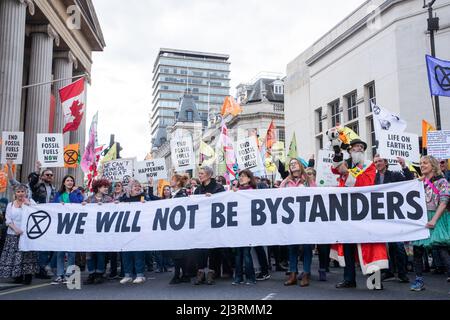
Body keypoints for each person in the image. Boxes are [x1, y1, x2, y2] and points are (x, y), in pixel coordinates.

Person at [331, 139, 388, 289]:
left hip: (365, 212)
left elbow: (362, 182)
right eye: (356, 147)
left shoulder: (368, 165)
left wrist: (346, 172)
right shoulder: (348, 163)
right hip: (348, 212)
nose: (359, 149)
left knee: (371, 247)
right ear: (350, 150)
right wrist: (337, 151)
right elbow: (336, 168)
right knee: (348, 246)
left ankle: (375, 282)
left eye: (362, 147)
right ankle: (349, 279)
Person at [410, 155, 450, 291]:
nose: (422, 165)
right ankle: (418, 280)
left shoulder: (442, 181)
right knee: (417, 250)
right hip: (422, 218)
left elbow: (444, 202)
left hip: (436, 217)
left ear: (433, 165)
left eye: (425, 163)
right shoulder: (420, 182)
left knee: (441, 248)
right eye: (421, 163)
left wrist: (434, 220)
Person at [374, 155, 414, 283]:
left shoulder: (394, 175)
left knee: (398, 245)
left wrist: (403, 166)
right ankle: (390, 271)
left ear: (385, 163)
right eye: (375, 162)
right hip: (382, 216)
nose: (378, 163)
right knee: (388, 246)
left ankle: (402, 273)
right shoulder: (374, 178)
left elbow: (409, 180)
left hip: (395, 214)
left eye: (380, 161)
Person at [193, 166, 225, 285]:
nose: (199, 175)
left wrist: (212, 198)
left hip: (214, 222)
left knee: (213, 248)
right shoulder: (198, 190)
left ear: (209, 175)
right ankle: (200, 271)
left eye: (201, 173)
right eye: (199, 173)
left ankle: (212, 272)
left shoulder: (218, 188)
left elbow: (224, 201)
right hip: (201, 223)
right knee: (200, 247)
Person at [0, 184, 38, 285]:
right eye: (18, 192)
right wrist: (16, 229)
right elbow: (8, 220)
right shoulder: (10, 205)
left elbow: (37, 213)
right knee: (15, 255)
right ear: (15, 193)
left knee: (27, 255)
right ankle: (18, 276)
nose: (20, 194)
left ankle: (28, 276)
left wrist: (28, 204)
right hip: (13, 233)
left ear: (26, 193)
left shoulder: (31, 202)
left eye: (22, 191)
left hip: (27, 234)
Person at [299, 167, 331, 286]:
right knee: (305, 246)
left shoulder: (321, 187)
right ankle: (306, 271)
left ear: (315, 175)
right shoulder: (301, 189)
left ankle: (322, 269)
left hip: (320, 221)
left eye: (310, 174)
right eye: (306, 174)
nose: (308, 175)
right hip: (306, 222)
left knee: (322, 247)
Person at [51, 175, 84, 285]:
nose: (70, 182)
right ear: (64, 182)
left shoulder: (78, 193)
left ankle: (69, 275)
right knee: (60, 251)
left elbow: (78, 204)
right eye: (67, 180)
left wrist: (74, 193)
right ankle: (60, 275)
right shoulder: (59, 195)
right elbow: (52, 207)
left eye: (71, 181)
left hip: (73, 225)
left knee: (71, 252)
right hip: (61, 226)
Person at [119, 180, 152, 284]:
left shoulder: (144, 197)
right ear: (130, 188)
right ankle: (127, 275)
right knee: (126, 253)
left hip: (139, 230)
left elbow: (152, 206)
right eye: (135, 186)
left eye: (139, 186)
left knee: (138, 253)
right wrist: (116, 204)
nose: (137, 188)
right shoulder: (124, 199)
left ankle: (140, 275)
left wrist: (146, 204)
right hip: (126, 230)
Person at [28, 161, 56, 279]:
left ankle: (45, 266)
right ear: (43, 177)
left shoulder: (54, 189)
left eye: (51, 175)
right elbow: (32, 183)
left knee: (50, 246)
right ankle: (41, 269)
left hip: (51, 218)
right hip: (39, 217)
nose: (49, 176)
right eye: (47, 175)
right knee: (42, 246)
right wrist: (37, 170)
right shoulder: (38, 186)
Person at [280, 158, 306, 286]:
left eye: (295, 163)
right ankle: (293, 274)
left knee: (306, 247)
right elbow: (278, 196)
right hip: (291, 220)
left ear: (300, 165)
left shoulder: (308, 180)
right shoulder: (286, 182)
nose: (293, 165)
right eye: (290, 164)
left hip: (306, 219)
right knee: (292, 248)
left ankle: (306, 273)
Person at [83, 179, 113, 284]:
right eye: (104, 186)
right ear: (98, 188)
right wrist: (82, 206)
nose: (106, 188)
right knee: (89, 254)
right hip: (90, 231)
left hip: (102, 231)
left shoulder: (109, 200)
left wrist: (116, 205)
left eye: (107, 186)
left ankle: (99, 274)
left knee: (101, 253)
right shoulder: (89, 200)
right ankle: (91, 274)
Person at [232, 169, 257, 285]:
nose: (241, 178)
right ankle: (238, 277)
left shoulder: (252, 192)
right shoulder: (235, 191)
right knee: (238, 253)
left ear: (249, 179)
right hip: (237, 226)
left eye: (243, 176)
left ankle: (250, 277)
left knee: (246, 253)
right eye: (239, 176)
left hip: (248, 226)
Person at [168, 174, 191, 284]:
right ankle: (180, 274)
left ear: (177, 182)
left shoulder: (181, 195)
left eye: (172, 180)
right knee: (176, 252)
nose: (170, 181)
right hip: (175, 227)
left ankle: (182, 274)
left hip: (180, 227)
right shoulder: (174, 195)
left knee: (180, 253)